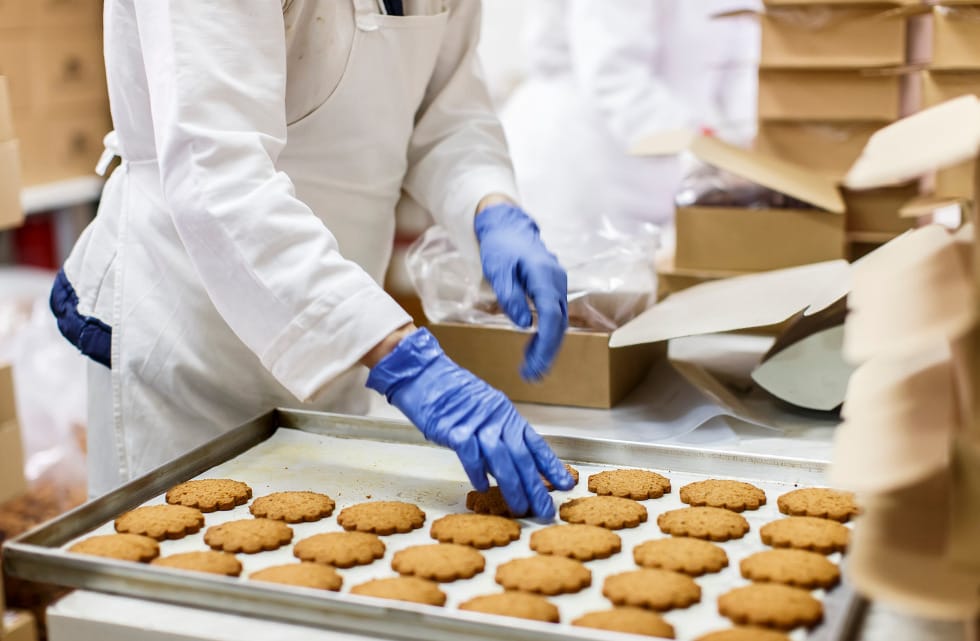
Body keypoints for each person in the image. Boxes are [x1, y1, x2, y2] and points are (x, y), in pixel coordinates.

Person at [49, 0, 574, 516]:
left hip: (340, 337)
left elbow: (445, 111)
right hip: (191, 347)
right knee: (173, 581)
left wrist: (490, 205)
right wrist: (399, 356)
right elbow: (218, 176)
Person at [499, 0, 759, 240]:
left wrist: (756, 141)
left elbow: (741, 70)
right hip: (577, 157)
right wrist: (714, 150)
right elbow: (614, 76)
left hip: (658, 169)